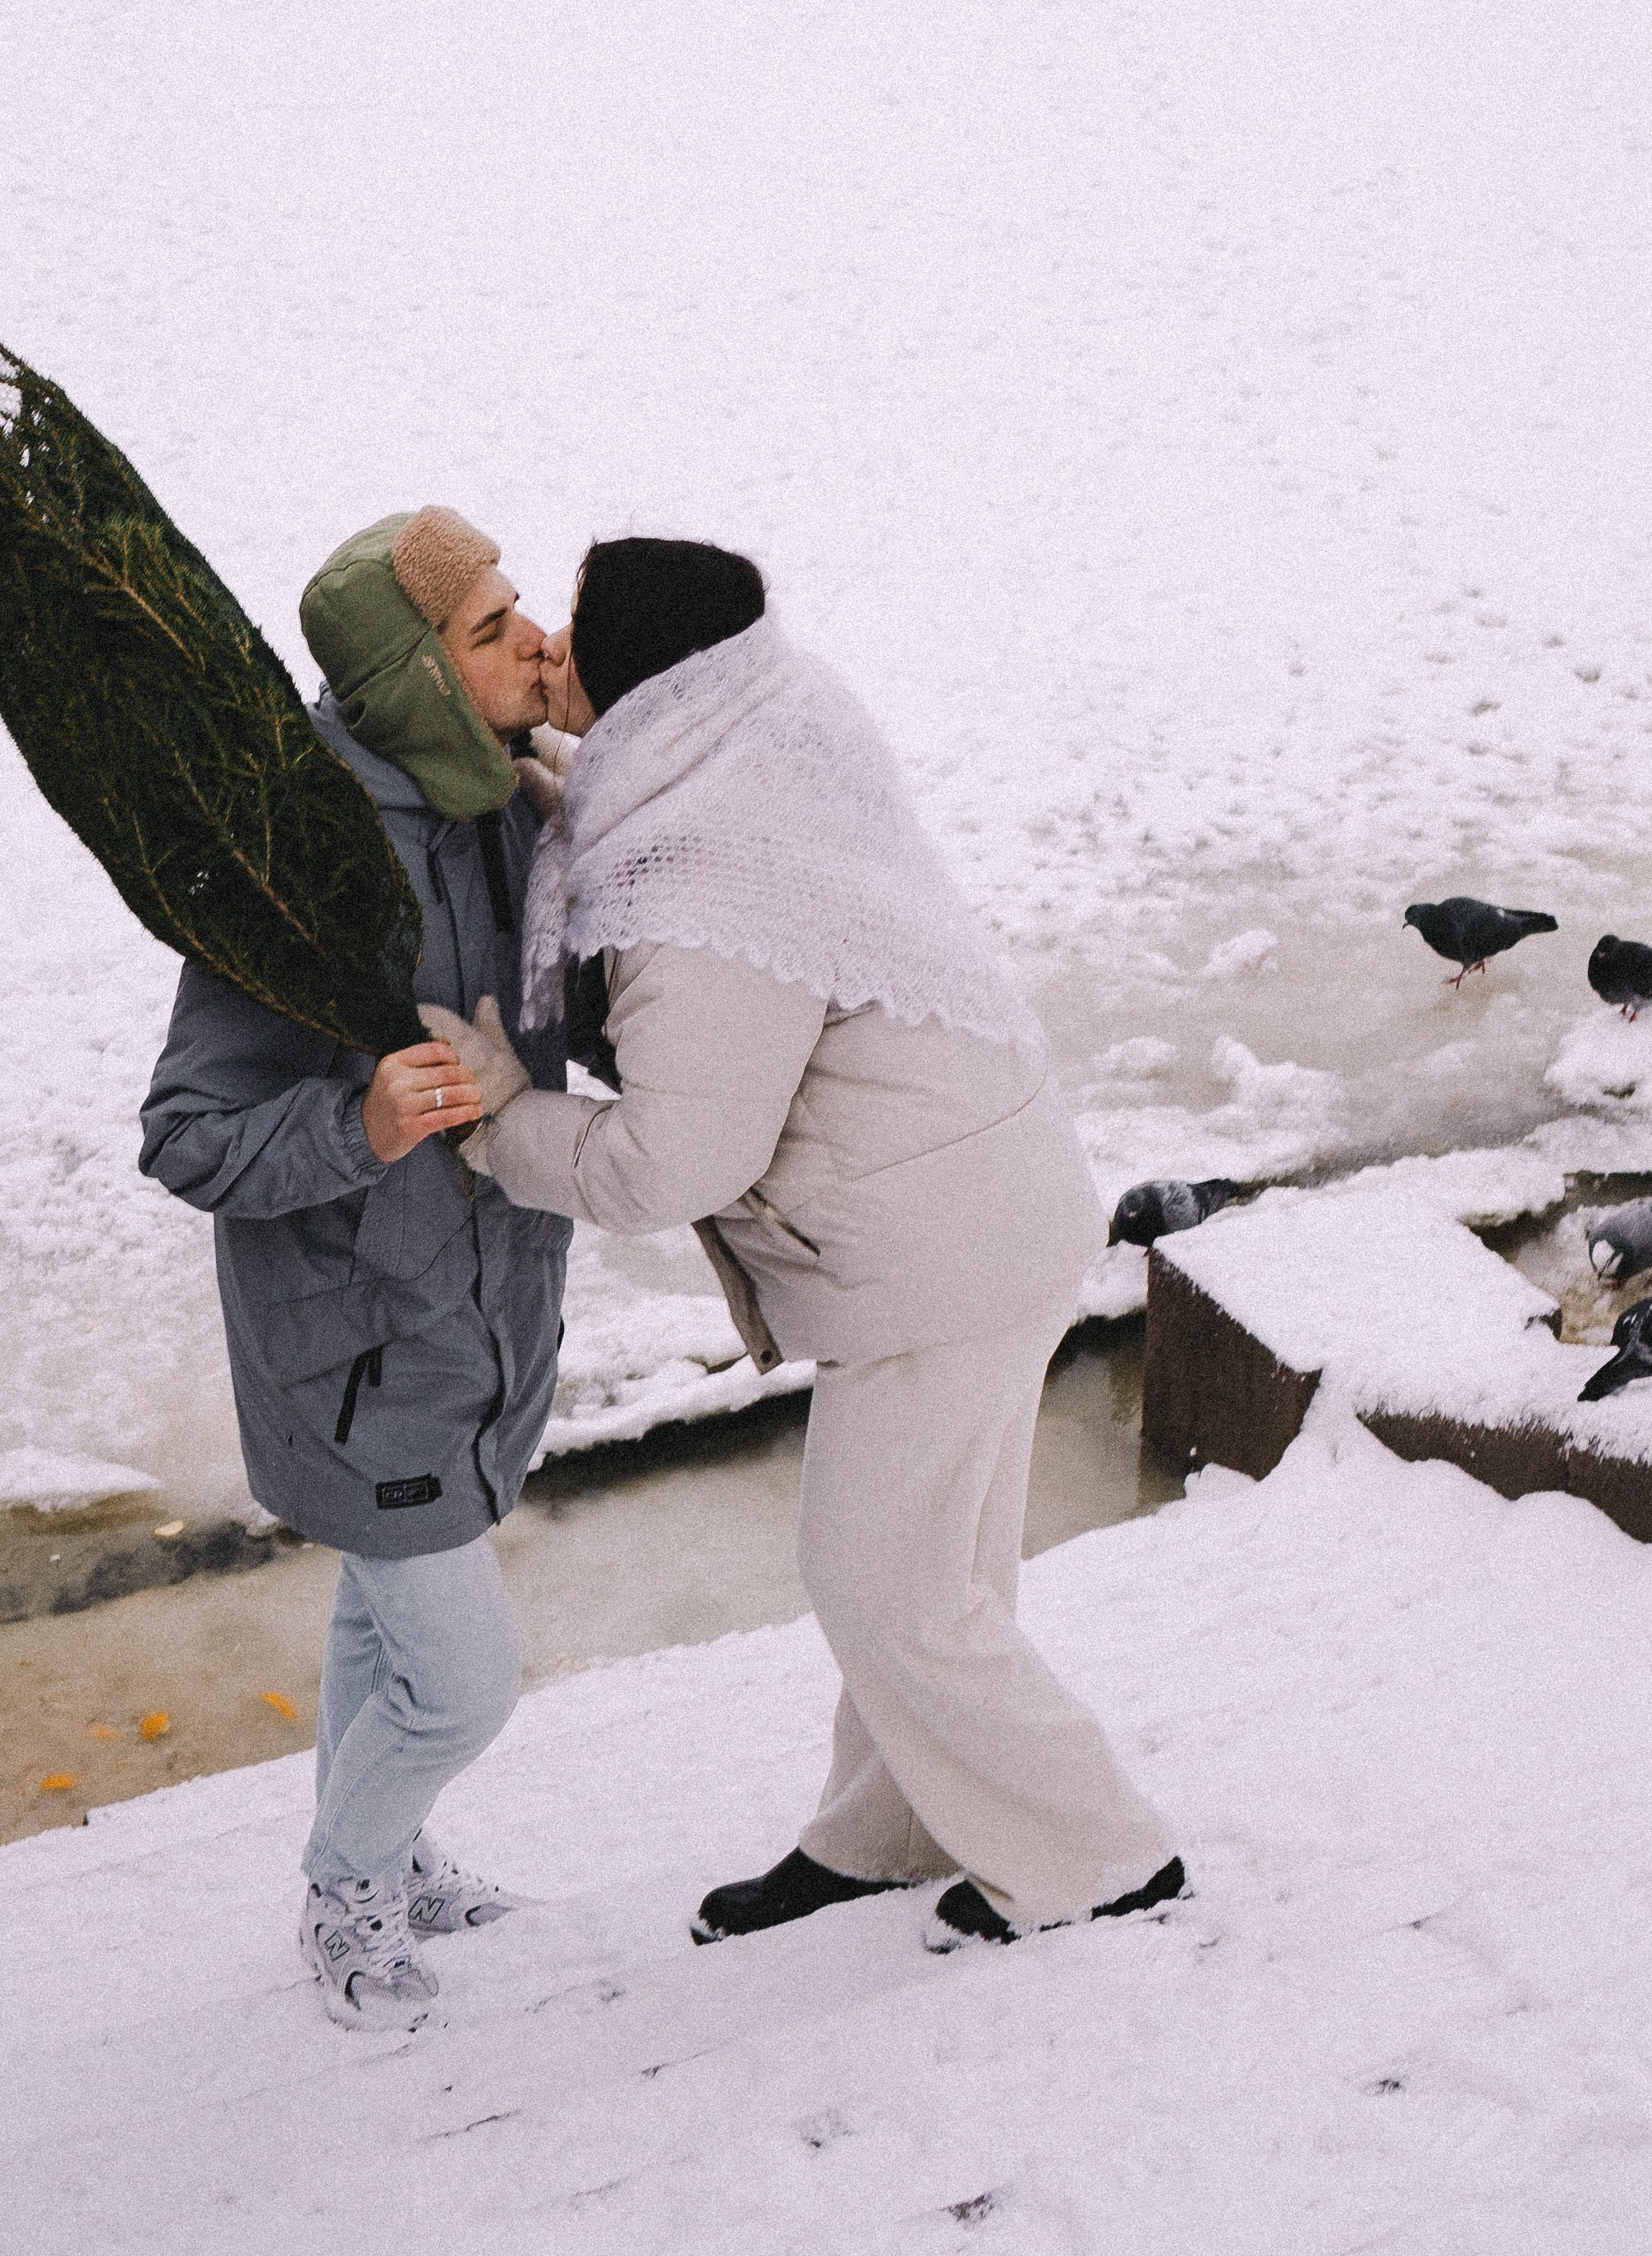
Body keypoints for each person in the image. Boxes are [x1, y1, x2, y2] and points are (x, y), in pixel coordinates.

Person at [444, 536, 1183, 1952]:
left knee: (884, 1581)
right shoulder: (762, 716)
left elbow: (672, 1159)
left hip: (935, 1251)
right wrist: (546, 764)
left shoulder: (708, 892)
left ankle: (1099, 1857)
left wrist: (500, 1119)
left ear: (651, 683)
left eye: (573, 637)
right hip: (976, 1189)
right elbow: (632, 815)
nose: (545, 648)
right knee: (930, 1573)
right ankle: (893, 1830)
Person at [140, 506, 571, 2031]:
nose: (535, 636)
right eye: (489, 627)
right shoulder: (299, 861)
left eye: (522, 605)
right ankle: (349, 1880)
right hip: (359, 1346)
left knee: (374, 1620)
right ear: (406, 680)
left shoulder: (506, 801)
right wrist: (359, 1119)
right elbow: (187, 1131)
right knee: (460, 1683)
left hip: (480, 1313)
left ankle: (391, 1848)